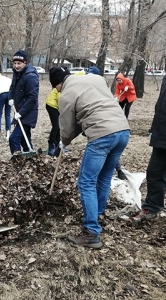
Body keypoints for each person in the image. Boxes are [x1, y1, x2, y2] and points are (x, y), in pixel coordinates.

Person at [49, 66, 130, 248]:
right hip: (123, 130)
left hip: (102, 135)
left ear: (58, 85)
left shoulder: (66, 94)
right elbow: (91, 110)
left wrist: (64, 141)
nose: (57, 90)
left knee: (86, 182)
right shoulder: (95, 79)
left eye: (56, 87)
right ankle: (98, 214)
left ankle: (92, 232)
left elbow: (68, 127)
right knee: (104, 177)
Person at [133, 75, 166, 222]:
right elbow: (160, 108)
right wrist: (154, 129)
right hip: (161, 135)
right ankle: (152, 208)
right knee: (154, 172)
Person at [87, 66, 127, 180]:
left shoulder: (100, 87)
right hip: (98, 122)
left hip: (105, 123)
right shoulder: (96, 86)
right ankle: (113, 170)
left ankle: (117, 170)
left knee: (105, 148)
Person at [8, 50, 39, 154]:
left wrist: (21, 113)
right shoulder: (17, 73)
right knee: (24, 140)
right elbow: (12, 87)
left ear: (25, 63)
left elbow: (33, 98)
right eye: (15, 63)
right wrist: (10, 98)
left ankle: (17, 162)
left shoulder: (30, 76)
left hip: (28, 113)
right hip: (19, 110)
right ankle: (30, 160)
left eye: (19, 63)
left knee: (14, 138)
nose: (16, 66)